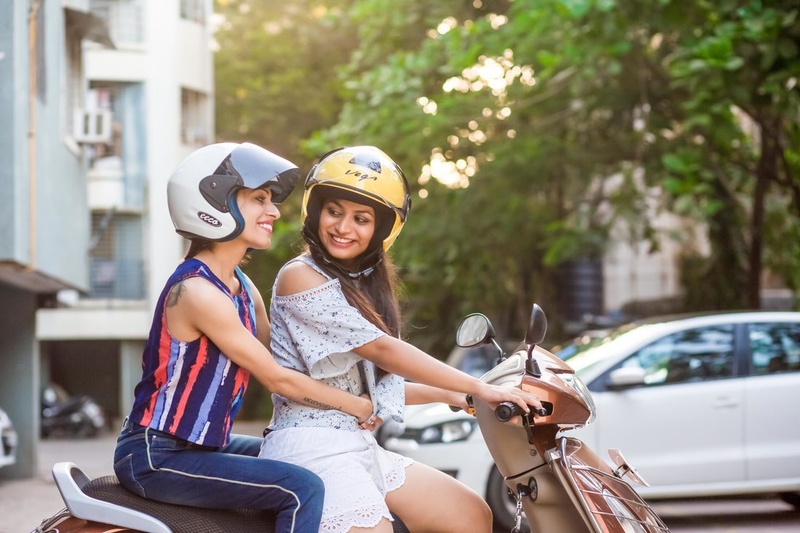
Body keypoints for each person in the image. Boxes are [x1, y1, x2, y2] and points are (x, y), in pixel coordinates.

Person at [258, 146, 543, 532]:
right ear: (315, 211)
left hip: (357, 446)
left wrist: (456, 395)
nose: (343, 227)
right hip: (312, 448)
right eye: (334, 211)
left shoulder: (356, 285)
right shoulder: (300, 276)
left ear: (381, 230)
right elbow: (382, 350)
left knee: (469, 513)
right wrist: (480, 386)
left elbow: (369, 391)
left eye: (361, 218)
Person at [112, 142, 374, 533]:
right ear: (214, 203)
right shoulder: (198, 291)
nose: (273, 211)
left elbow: (289, 364)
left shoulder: (242, 287)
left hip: (201, 445)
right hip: (156, 454)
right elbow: (277, 379)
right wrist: (356, 406)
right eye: (259, 199)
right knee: (301, 487)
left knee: (298, 462)